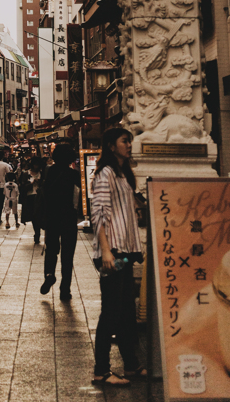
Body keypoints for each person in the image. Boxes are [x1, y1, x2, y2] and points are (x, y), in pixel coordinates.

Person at [91, 128, 145, 387]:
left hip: (125, 249)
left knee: (125, 312)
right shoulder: (106, 174)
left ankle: (132, 364)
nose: (129, 145)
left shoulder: (124, 175)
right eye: (125, 141)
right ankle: (101, 369)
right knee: (111, 312)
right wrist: (105, 251)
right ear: (111, 146)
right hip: (113, 251)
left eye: (130, 140)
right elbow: (99, 213)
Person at [39, 142, 80, 300]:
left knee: (51, 250)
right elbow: (78, 198)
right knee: (67, 255)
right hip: (69, 218)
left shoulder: (48, 171)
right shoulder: (74, 175)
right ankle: (65, 289)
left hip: (52, 217)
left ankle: (49, 274)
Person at [20, 157, 43, 243]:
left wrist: (40, 182)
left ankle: (38, 232)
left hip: (40, 197)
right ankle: (37, 233)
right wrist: (31, 183)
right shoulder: (26, 174)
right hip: (30, 197)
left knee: (39, 215)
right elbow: (23, 187)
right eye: (35, 164)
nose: (36, 166)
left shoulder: (42, 173)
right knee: (34, 216)